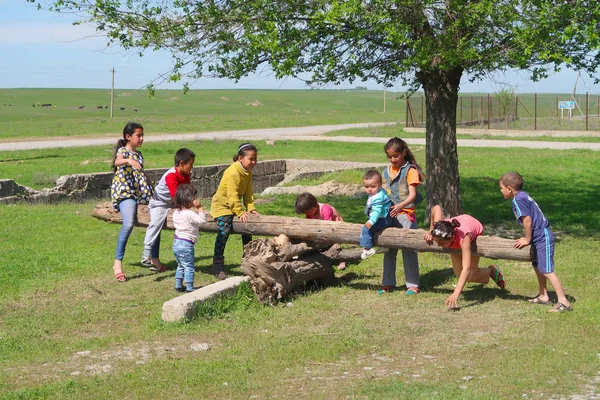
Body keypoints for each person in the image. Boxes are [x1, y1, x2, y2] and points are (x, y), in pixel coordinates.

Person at [499, 171, 572, 312]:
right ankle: (543, 295)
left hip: (542, 236)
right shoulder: (522, 196)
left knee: (547, 269)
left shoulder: (518, 199)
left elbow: (527, 220)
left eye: (501, 188)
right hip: (538, 235)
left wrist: (527, 239)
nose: (501, 191)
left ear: (509, 188)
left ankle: (564, 302)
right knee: (537, 265)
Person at [424, 205, 506, 309]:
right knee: (459, 274)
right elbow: (436, 208)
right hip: (455, 238)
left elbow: (466, 268)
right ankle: (487, 274)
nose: (439, 246)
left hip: (473, 231)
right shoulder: (439, 227)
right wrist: (430, 231)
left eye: (442, 243)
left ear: (452, 238)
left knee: (469, 274)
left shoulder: (464, 238)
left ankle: (491, 271)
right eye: (437, 242)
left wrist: (455, 294)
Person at [380, 137, 424, 295]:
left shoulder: (410, 171)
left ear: (404, 153)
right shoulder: (386, 171)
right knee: (388, 249)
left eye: (395, 156)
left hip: (406, 216)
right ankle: (387, 282)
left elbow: (412, 195)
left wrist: (400, 206)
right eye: (390, 157)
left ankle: (412, 285)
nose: (393, 160)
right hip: (389, 216)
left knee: (409, 250)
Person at [110, 122, 153, 282]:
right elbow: (117, 162)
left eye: (142, 135)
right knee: (128, 225)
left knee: (156, 220)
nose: (141, 138)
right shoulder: (123, 152)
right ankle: (117, 263)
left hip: (139, 193)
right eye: (138, 135)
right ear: (128, 137)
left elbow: (140, 177)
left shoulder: (140, 155)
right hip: (125, 193)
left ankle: (154, 258)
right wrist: (128, 161)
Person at [141, 148, 196, 272]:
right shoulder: (171, 175)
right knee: (156, 223)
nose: (192, 167)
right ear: (181, 163)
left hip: (171, 203)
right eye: (190, 164)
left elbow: (187, 192)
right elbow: (176, 197)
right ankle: (146, 252)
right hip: (159, 203)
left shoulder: (186, 175)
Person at [210, 143, 259, 280]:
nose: (254, 162)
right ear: (240, 158)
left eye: (255, 158)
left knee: (247, 230)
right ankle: (217, 265)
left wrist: (251, 208)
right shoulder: (233, 172)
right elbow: (232, 196)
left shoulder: (247, 171)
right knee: (224, 232)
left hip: (234, 206)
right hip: (223, 206)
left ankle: (248, 262)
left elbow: (248, 192)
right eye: (251, 159)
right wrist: (240, 212)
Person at [295, 192, 347, 270]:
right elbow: (310, 225)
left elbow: (328, 227)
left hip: (335, 230)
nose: (308, 214)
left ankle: (342, 259)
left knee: (333, 246)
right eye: (306, 213)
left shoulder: (325, 209)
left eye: (308, 212)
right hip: (321, 231)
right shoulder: (309, 213)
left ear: (315, 206)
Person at [172, 184, 206, 293]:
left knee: (181, 265)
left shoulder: (176, 212)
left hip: (176, 243)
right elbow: (202, 220)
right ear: (188, 199)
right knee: (189, 266)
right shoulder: (189, 214)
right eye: (193, 198)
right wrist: (200, 208)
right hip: (186, 244)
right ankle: (190, 287)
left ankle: (178, 286)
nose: (195, 200)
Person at [360, 170, 394, 260]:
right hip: (386, 218)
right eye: (367, 187)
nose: (370, 189)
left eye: (373, 186)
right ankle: (384, 246)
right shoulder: (379, 192)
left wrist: (371, 221)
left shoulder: (377, 197)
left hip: (383, 219)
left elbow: (376, 211)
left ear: (380, 185)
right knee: (378, 231)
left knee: (366, 229)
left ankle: (367, 249)